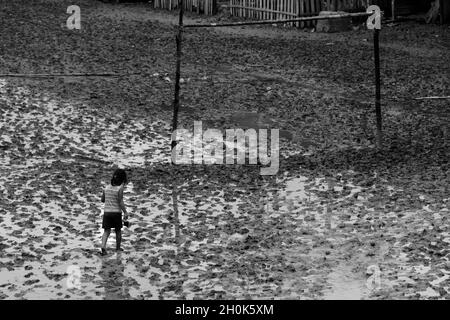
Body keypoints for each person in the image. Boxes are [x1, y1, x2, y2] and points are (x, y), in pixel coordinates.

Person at [100, 169, 129, 255]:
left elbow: (102, 200)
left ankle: (103, 245)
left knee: (106, 231)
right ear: (122, 180)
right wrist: (125, 212)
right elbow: (120, 202)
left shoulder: (106, 187)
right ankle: (118, 248)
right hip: (116, 213)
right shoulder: (119, 188)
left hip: (107, 213)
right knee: (118, 231)